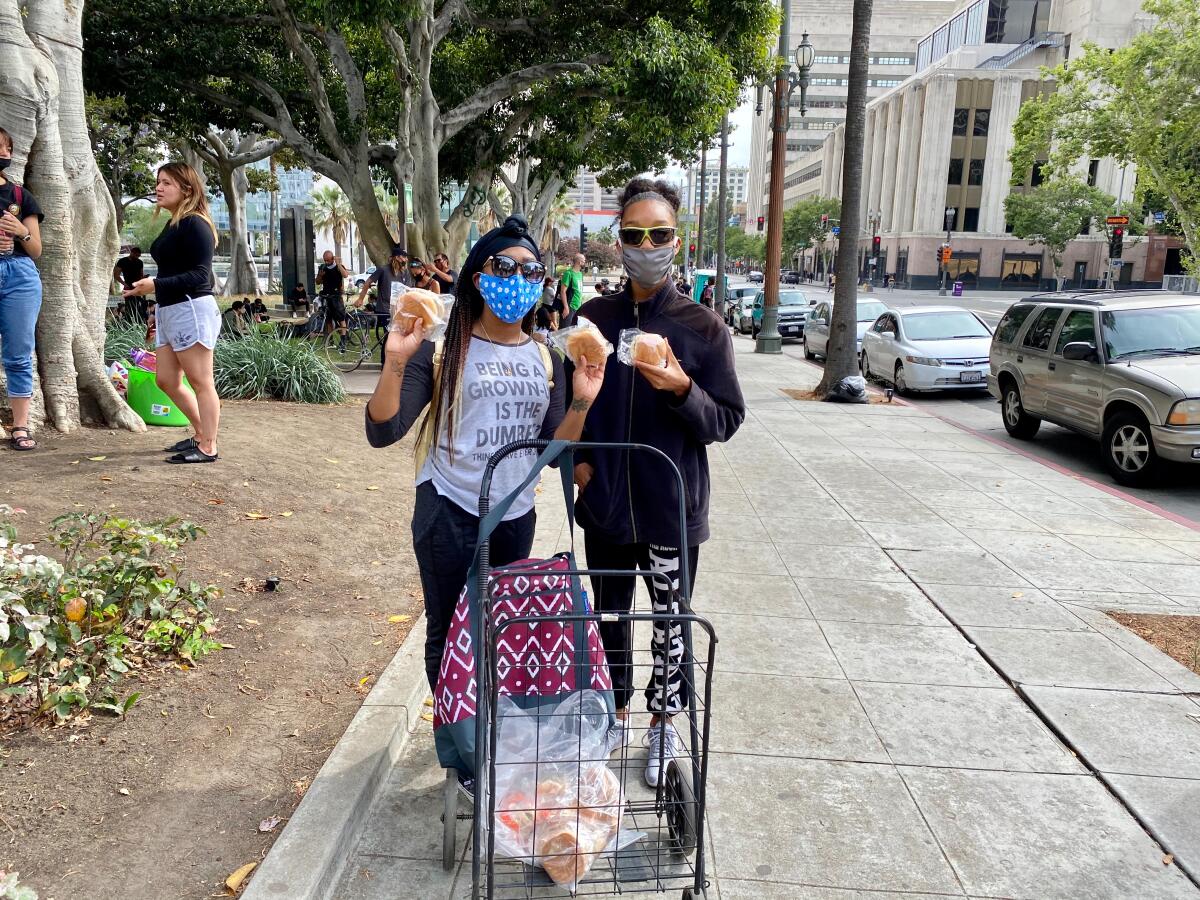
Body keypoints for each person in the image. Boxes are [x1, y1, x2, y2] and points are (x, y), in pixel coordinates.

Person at [364, 214, 606, 696]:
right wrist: (394, 358)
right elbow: (383, 428)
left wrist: (583, 398)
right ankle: (459, 740)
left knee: (500, 628)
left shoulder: (544, 356)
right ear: (479, 276)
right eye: (504, 266)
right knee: (450, 628)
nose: (518, 280)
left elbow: (555, 451)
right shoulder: (443, 346)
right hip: (448, 507)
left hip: (514, 514)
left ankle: (491, 727)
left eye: (532, 272)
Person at [566, 176, 744, 787]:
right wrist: (579, 466)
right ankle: (611, 711)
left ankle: (663, 720)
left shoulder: (703, 328)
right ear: (620, 242)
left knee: (671, 623)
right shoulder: (592, 319)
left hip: (672, 508)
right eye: (635, 234)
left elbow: (726, 419)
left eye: (659, 233)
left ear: (677, 238)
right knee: (610, 618)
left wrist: (681, 389)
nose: (647, 244)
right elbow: (568, 404)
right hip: (608, 508)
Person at [123, 161, 221, 463]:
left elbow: (200, 276)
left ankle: (209, 446)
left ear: (187, 189)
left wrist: (154, 285)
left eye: (166, 182)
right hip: (170, 309)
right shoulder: (174, 222)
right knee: (166, 379)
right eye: (158, 181)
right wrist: (156, 306)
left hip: (191, 308)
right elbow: (172, 269)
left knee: (201, 381)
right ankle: (199, 433)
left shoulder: (196, 224)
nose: (159, 188)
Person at [0, 127, 44, 452]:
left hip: (20, 276)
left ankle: (20, 426)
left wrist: (20, 232)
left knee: (18, 353)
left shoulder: (20, 196)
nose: (1, 154)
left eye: (3, 148)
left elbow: (37, 249)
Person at [355, 246, 411, 362]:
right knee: (389, 335)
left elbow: (407, 290)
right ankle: (384, 362)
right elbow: (367, 282)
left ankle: (391, 361)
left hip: (398, 309)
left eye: (406, 257)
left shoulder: (404, 273)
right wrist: (360, 299)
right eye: (403, 257)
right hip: (384, 309)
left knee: (396, 336)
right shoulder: (383, 270)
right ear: (396, 257)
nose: (405, 260)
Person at [315, 250, 351, 349]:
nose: (326, 262)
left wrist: (338, 264)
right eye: (325, 260)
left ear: (332, 258)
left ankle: (343, 340)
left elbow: (345, 275)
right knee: (328, 319)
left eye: (328, 260)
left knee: (341, 318)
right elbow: (317, 282)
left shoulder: (338, 267)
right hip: (326, 296)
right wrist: (320, 276)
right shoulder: (322, 267)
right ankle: (330, 341)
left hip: (336, 296)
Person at [113, 247, 146, 319]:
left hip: (138, 286)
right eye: (136, 255)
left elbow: (141, 275)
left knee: (139, 305)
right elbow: (116, 275)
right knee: (129, 305)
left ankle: (138, 320)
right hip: (128, 286)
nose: (137, 257)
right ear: (132, 252)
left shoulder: (140, 262)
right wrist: (124, 284)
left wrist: (144, 278)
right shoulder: (122, 261)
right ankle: (129, 320)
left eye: (138, 256)